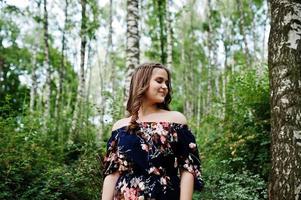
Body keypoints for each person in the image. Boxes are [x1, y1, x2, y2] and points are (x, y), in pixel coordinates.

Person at [101, 63, 203, 200]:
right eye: (159, 81)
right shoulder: (120, 127)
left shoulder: (176, 121)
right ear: (142, 83)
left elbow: (187, 170)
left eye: (167, 83)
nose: (165, 87)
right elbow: (112, 174)